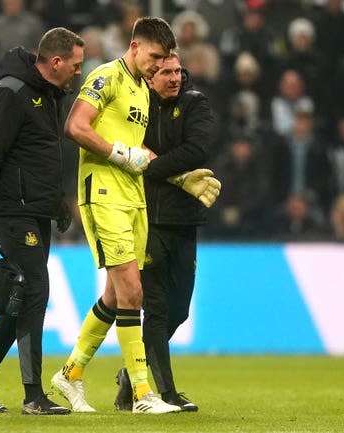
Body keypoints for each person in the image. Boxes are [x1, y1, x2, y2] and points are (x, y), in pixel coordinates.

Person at [50, 16, 182, 414]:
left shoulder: (143, 89)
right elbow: (75, 126)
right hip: (103, 193)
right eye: (155, 57)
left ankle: (70, 374)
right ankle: (143, 394)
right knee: (132, 293)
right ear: (135, 45)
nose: (159, 66)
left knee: (114, 294)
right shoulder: (106, 77)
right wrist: (117, 154)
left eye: (165, 60)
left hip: (133, 196)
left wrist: (181, 176)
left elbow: (136, 149)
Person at [0, 27, 85, 415]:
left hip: (35, 211)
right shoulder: (10, 92)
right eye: (76, 65)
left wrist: (57, 204)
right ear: (56, 61)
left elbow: (38, 158)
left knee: (18, 301)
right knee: (35, 293)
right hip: (10, 213)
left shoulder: (48, 95)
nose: (79, 73)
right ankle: (33, 396)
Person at [111, 53, 214, 412]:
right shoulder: (136, 104)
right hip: (147, 220)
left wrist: (149, 165)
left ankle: (130, 372)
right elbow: (123, 149)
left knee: (179, 310)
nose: (174, 78)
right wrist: (167, 170)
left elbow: (197, 150)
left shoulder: (195, 104)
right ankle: (166, 392)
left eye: (177, 71)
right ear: (150, 77)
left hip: (186, 221)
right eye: (165, 72)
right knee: (154, 309)